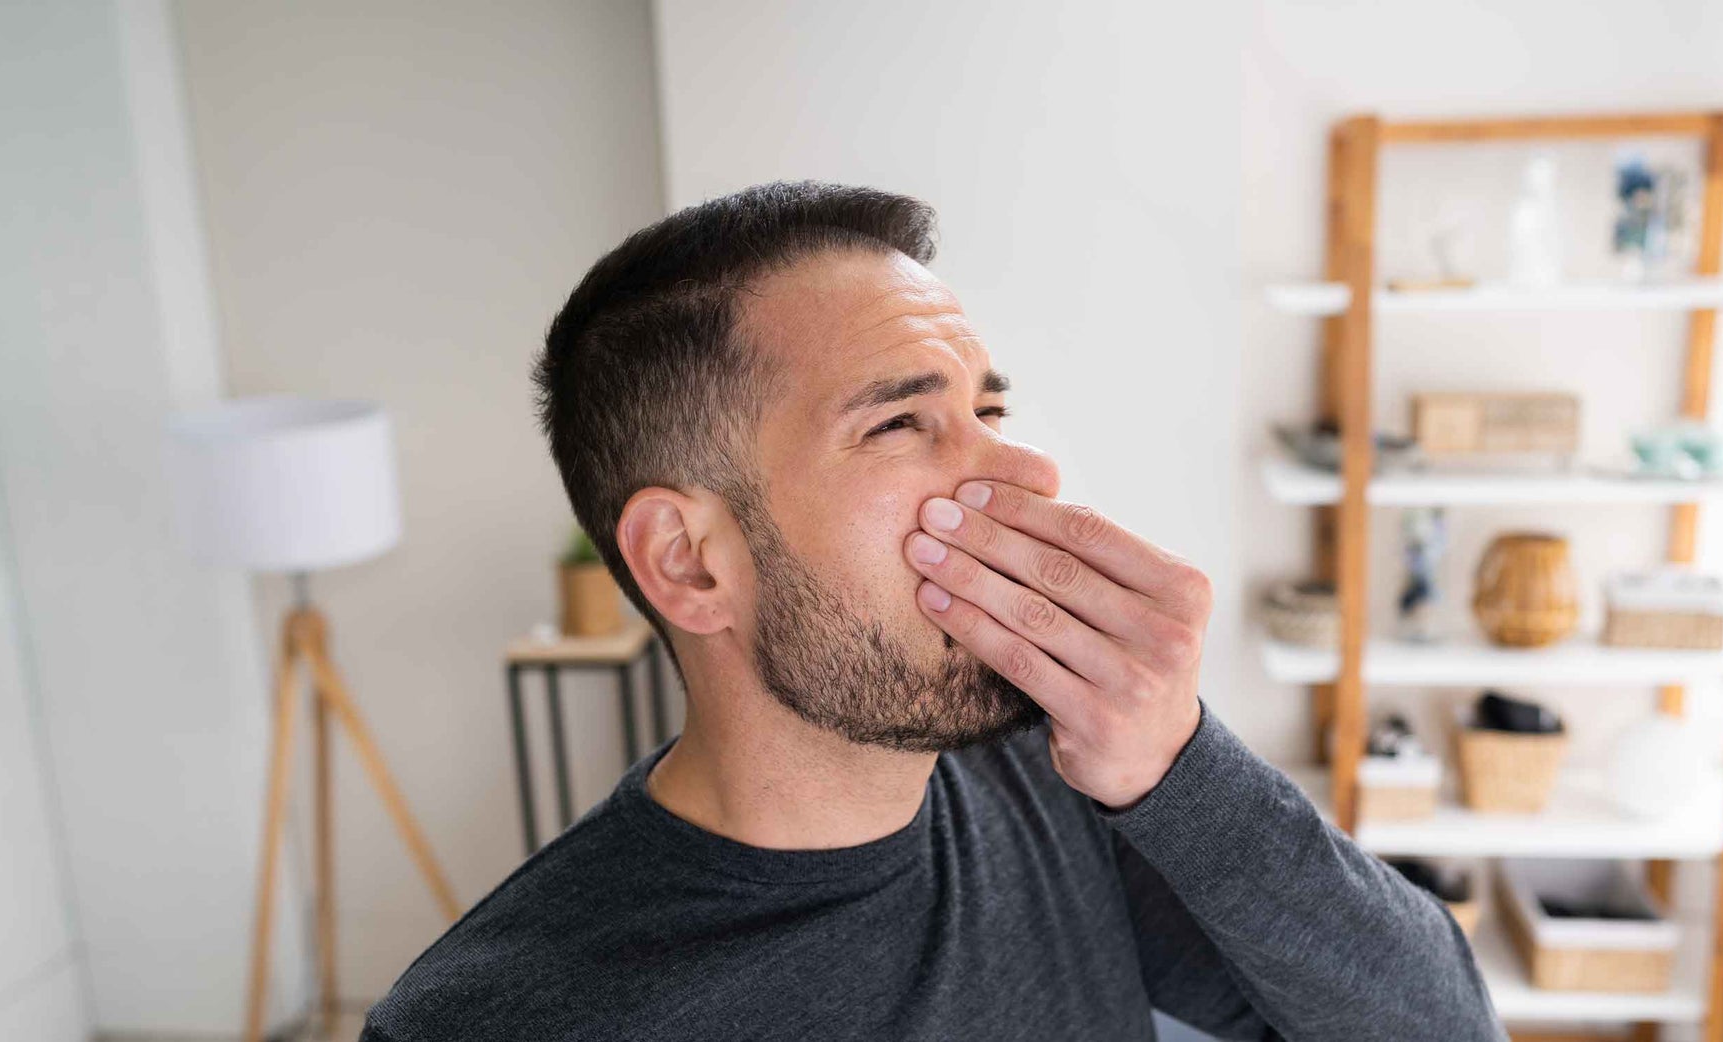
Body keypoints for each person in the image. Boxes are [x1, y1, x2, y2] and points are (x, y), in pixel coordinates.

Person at [359, 181, 1502, 1042]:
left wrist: (1178, 766)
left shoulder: (1050, 781)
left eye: (987, 407)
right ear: (689, 563)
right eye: (900, 425)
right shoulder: (497, 1018)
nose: (1024, 472)